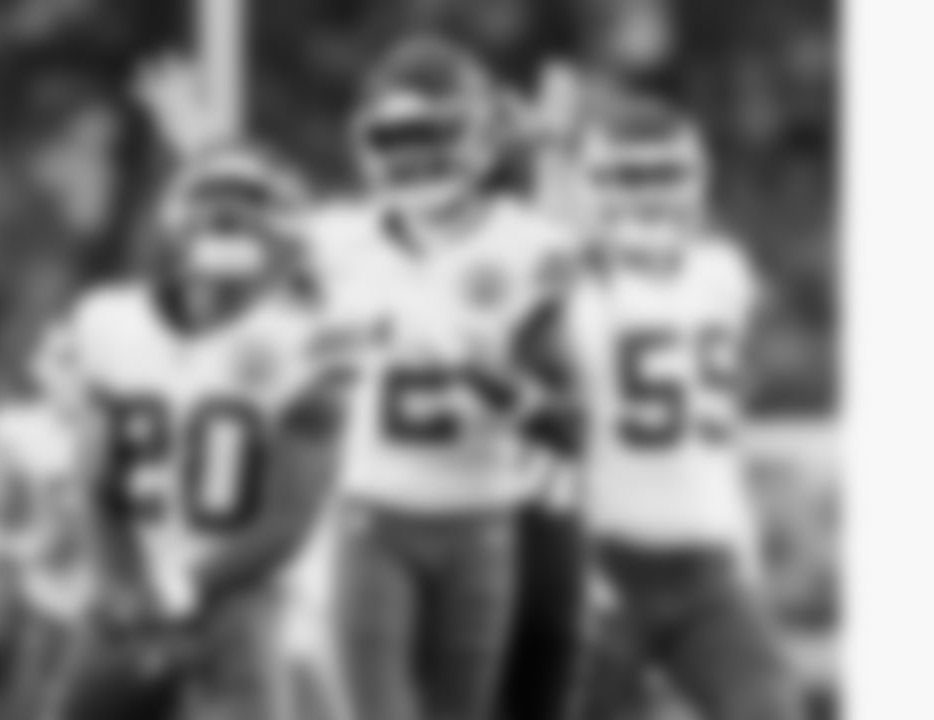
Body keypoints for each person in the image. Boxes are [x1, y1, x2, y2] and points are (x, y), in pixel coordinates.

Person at [300, 36, 585, 720]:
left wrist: (491, 380)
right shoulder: (340, 242)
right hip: (373, 516)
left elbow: (567, 419)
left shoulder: (528, 247)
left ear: (482, 140)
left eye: (432, 133)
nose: (413, 156)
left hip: (483, 520)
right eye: (394, 136)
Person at [39, 142, 352, 720]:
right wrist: (121, 584)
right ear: (175, 231)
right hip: (137, 593)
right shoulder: (110, 323)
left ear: (281, 241)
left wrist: (178, 588)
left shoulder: (309, 343)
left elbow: (286, 522)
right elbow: (98, 481)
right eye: (215, 212)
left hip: (254, 598)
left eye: (244, 214)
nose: (227, 225)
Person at [562, 98, 803, 720]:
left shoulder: (723, 274)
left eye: (665, 174)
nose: (648, 194)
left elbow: (735, 382)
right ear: (588, 188)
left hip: (707, 569)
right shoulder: (563, 290)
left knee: (770, 707)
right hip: (597, 565)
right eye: (627, 176)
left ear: (699, 181)